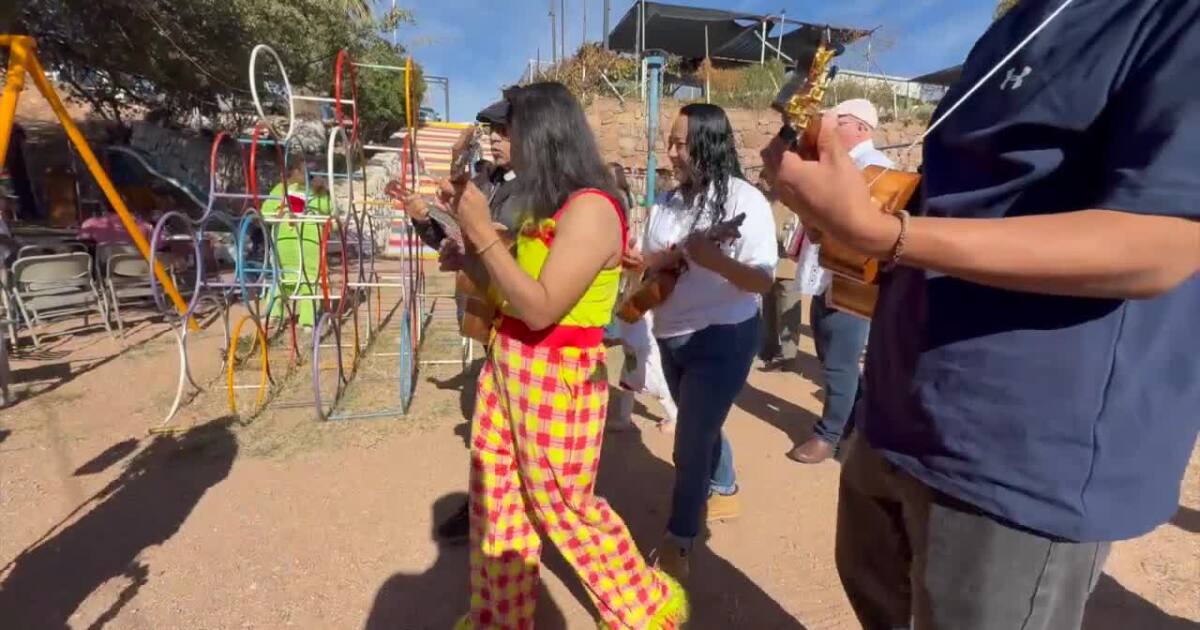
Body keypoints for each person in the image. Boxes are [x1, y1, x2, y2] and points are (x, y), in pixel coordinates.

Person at [761, 1, 1200, 628]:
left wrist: (881, 232)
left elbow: (1162, 244)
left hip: (1019, 452)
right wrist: (843, 207)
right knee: (876, 600)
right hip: (898, 410)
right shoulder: (1017, 23)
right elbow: (971, 199)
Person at [438, 82, 687, 629]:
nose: (504, 141)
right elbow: (512, 290)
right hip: (508, 363)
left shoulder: (592, 208)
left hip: (556, 375)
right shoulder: (541, 204)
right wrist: (470, 258)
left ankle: (645, 609)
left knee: (565, 510)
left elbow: (541, 307)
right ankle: (500, 619)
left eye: (512, 130)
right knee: (497, 503)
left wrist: (481, 235)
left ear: (544, 133)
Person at [632, 103, 777, 579]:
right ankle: (726, 484)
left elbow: (761, 280)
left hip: (725, 337)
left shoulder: (744, 201)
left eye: (679, 143)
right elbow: (651, 259)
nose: (670, 152)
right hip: (670, 336)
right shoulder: (668, 202)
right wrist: (650, 261)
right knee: (702, 424)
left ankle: (681, 539)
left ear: (708, 144)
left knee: (689, 440)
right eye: (670, 141)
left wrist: (713, 260)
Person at [399, 100, 521, 546]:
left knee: (508, 422)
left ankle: (505, 508)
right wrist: (422, 220)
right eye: (491, 131)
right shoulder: (482, 181)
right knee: (494, 425)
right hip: (481, 308)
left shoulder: (538, 191)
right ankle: (486, 506)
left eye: (503, 131)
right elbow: (455, 240)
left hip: (517, 315)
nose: (494, 138)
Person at [786, 99, 894, 464]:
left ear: (861, 127)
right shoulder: (839, 166)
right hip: (826, 279)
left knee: (838, 364)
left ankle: (829, 435)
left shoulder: (877, 169)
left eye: (838, 120)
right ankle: (861, 423)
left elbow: (866, 231)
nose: (829, 127)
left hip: (850, 285)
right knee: (832, 357)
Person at [264, 162, 326, 328]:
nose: (304, 175)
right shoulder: (281, 189)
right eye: (301, 170)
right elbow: (266, 211)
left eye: (309, 173)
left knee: (309, 280)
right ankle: (274, 314)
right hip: (285, 243)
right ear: (293, 172)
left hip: (309, 243)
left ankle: (307, 320)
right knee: (282, 279)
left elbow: (330, 214)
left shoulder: (319, 192)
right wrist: (277, 214)